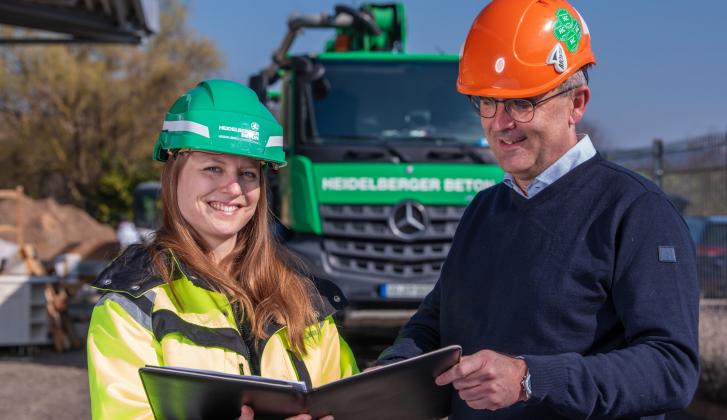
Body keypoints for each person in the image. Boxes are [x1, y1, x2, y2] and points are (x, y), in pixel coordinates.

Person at [376, 1, 700, 419]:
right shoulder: (484, 209)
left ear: (577, 103)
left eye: (522, 102)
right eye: (487, 103)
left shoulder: (636, 211)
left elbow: (670, 369)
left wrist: (531, 378)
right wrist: (382, 380)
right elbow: (437, 323)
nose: (500, 123)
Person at [87, 80, 358, 419]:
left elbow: (346, 403)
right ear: (174, 173)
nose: (232, 188)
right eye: (213, 168)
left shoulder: (305, 298)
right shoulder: (132, 309)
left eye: (247, 173)